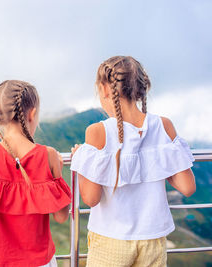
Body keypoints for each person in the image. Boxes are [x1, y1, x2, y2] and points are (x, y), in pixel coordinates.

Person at [70, 56, 196, 267]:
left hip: (111, 239)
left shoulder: (97, 132)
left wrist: (82, 159)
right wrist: (157, 165)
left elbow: (90, 199)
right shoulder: (163, 125)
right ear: (140, 88)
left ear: (104, 89)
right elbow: (187, 187)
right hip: (153, 239)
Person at [0, 80, 71, 267]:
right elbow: (61, 217)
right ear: (32, 113)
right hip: (39, 261)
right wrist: (57, 173)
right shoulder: (49, 155)